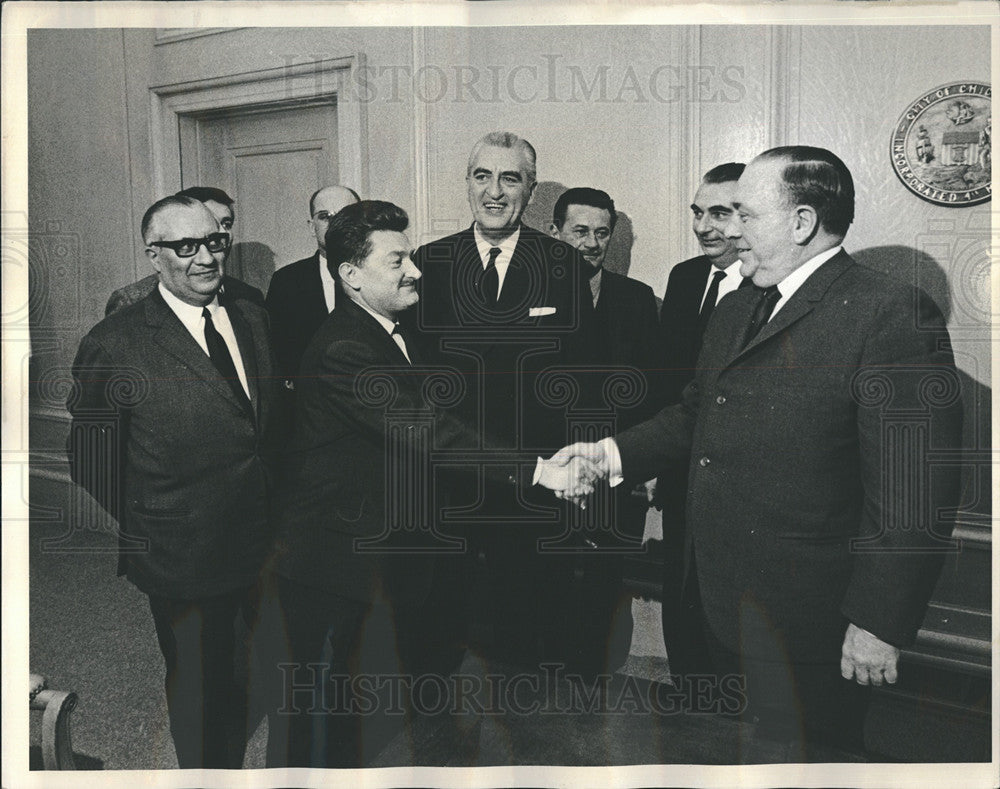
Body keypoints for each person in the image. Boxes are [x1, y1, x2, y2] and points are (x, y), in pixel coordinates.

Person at [549, 146, 962, 757]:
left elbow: (912, 492)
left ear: (801, 223)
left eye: (745, 215)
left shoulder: (890, 315)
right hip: (717, 603)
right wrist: (608, 455)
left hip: (813, 622)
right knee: (728, 756)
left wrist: (878, 622)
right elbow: (698, 412)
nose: (727, 230)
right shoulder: (740, 302)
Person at [264, 200, 584, 767]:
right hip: (332, 567)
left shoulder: (390, 330)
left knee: (359, 711)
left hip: (377, 554)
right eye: (397, 262)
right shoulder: (344, 348)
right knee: (319, 722)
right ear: (351, 276)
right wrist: (537, 469)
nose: (414, 270)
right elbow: (428, 431)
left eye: (410, 256)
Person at [67, 195, 279, 768]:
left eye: (215, 242)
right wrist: (154, 519)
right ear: (154, 256)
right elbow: (90, 457)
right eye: (186, 247)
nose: (207, 257)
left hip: (264, 542)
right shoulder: (116, 342)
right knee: (203, 694)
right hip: (180, 554)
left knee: (277, 670)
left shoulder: (253, 315)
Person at [413, 131, 602, 671]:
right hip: (447, 480)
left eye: (509, 178)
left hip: (534, 484)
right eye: (482, 176)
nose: (494, 192)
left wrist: (580, 466)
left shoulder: (563, 264)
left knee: (523, 633)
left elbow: (584, 378)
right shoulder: (430, 262)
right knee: (439, 628)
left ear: (531, 188)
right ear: (467, 183)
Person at [549, 186, 659, 670]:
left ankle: (588, 699)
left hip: (613, 474)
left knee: (602, 589)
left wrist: (631, 462)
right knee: (546, 588)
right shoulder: (526, 297)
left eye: (601, 232)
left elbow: (650, 390)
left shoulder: (636, 300)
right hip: (547, 473)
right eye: (579, 231)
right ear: (555, 233)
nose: (592, 243)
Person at [653, 162, 748, 676]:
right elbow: (668, 383)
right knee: (679, 593)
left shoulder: (763, 290)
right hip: (678, 471)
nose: (703, 226)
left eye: (720, 212)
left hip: (733, 485)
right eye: (697, 212)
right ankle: (687, 702)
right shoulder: (685, 278)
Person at [104, 186, 262, 314]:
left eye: (226, 224)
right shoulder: (132, 300)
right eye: (210, 221)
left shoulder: (249, 296)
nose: (220, 233)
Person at [265, 184, 361, 389]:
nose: (335, 224)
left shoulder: (382, 277)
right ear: (312, 226)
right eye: (325, 216)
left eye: (345, 215)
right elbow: (276, 353)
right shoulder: (286, 282)